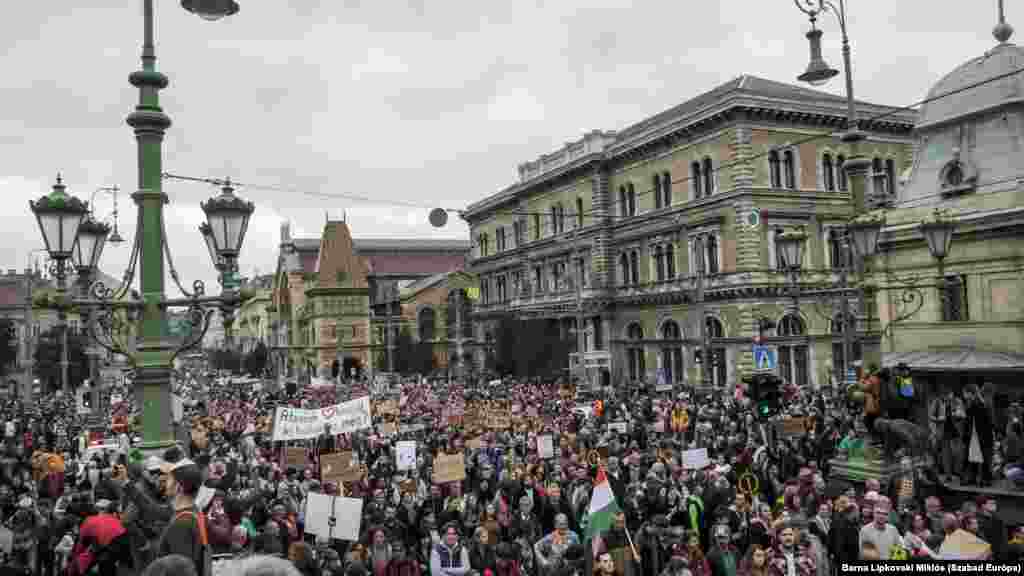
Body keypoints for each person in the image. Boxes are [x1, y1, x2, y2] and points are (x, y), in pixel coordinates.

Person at [156, 460, 210, 575]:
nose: (165, 481)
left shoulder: (181, 524)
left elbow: (181, 571)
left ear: (178, 487)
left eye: (169, 478)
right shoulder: (196, 513)